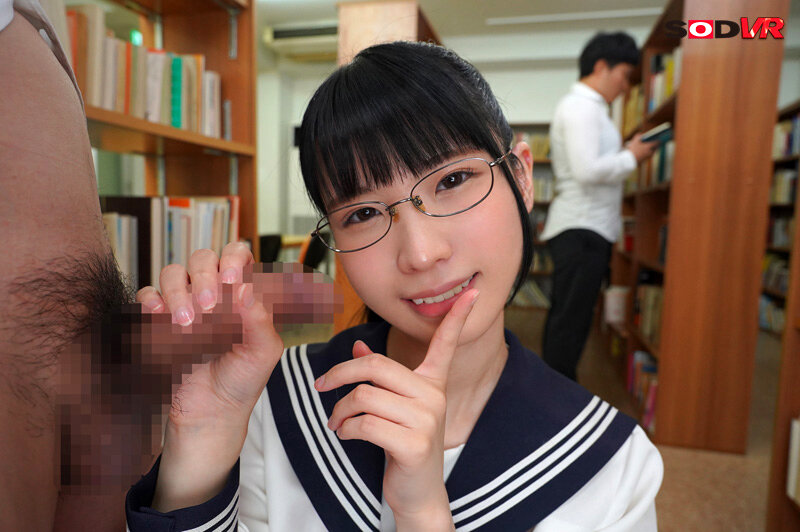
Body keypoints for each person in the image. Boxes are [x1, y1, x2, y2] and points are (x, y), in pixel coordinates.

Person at [125, 41, 663, 531]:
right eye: (362, 213)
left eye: (453, 180)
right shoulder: (274, 398)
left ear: (522, 178)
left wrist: (423, 514)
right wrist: (200, 442)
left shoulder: (614, 464)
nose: (422, 254)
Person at [541, 32, 658, 382]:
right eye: (624, 75)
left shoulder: (590, 109)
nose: (626, 86)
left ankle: (556, 390)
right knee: (569, 322)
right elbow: (587, 170)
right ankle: (558, 395)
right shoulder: (582, 108)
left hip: (585, 226)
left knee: (570, 319)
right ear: (601, 66)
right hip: (582, 227)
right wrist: (631, 156)